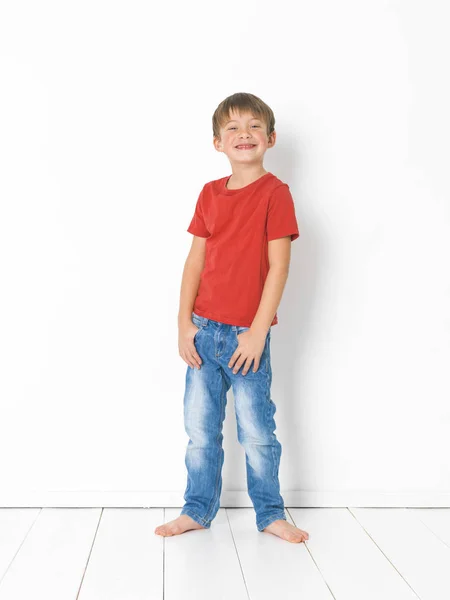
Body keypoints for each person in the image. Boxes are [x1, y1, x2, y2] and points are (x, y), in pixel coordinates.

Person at [155, 92, 310, 543]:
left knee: (258, 431)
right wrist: (183, 323)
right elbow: (194, 262)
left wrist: (258, 332)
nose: (244, 133)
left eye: (255, 126)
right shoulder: (209, 194)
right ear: (217, 143)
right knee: (200, 432)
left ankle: (270, 513)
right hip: (203, 333)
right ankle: (197, 509)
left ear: (271, 137)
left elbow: (279, 267)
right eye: (233, 128)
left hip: (247, 338)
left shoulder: (275, 194)